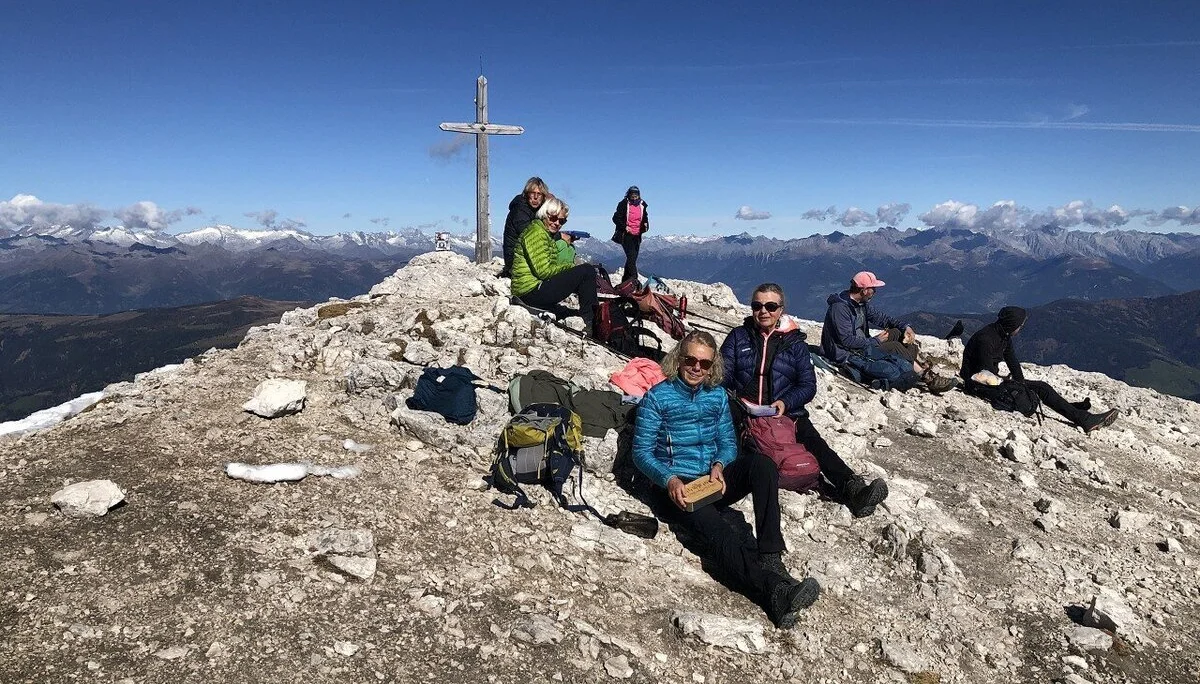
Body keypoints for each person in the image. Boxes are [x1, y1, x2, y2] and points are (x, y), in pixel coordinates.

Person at [633, 330, 821, 629]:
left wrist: (721, 464)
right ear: (678, 360)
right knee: (720, 531)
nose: (697, 368)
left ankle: (771, 555)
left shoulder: (717, 396)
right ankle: (774, 592)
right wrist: (669, 480)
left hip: (711, 478)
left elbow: (728, 443)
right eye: (690, 360)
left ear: (713, 367)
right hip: (678, 486)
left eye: (705, 364)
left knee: (761, 465)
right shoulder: (658, 397)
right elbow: (641, 453)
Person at [720, 283, 889, 517]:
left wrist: (786, 403)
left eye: (770, 306)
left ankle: (853, 488)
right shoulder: (738, 337)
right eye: (757, 306)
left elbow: (808, 386)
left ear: (781, 309)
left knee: (814, 442)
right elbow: (723, 374)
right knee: (736, 445)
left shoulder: (795, 344)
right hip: (744, 410)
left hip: (786, 413)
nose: (763, 311)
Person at [961, 306, 1119, 433]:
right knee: (1040, 388)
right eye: (1020, 325)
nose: (1020, 328)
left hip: (989, 379)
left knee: (1040, 387)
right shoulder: (986, 340)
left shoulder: (1003, 334)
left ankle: (1072, 409)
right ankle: (1083, 418)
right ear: (1012, 324)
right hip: (979, 383)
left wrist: (1020, 381)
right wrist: (1012, 384)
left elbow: (1012, 361)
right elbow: (985, 374)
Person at [820, 271, 956, 393]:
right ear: (864, 290)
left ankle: (914, 369)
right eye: (873, 289)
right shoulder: (840, 309)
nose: (874, 292)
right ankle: (926, 376)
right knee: (896, 347)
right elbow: (846, 340)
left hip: (862, 345)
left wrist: (905, 327)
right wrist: (876, 341)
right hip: (847, 352)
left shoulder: (860, 305)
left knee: (897, 332)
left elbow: (883, 319)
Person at [510, 198, 599, 335]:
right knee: (586, 271)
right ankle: (591, 323)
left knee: (584, 272)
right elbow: (544, 271)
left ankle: (591, 318)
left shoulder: (543, 232)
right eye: (553, 218)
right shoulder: (536, 233)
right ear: (544, 215)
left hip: (531, 289)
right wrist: (571, 267)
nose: (557, 223)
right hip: (530, 291)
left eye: (562, 221)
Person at [501, 177, 550, 278]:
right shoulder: (520, 210)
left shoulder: (533, 211)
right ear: (527, 194)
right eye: (532, 193)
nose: (535, 197)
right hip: (516, 262)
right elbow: (531, 235)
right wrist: (559, 236)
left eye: (539, 194)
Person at [611, 186, 649, 284]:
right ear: (629, 195)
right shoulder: (623, 204)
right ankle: (634, 279)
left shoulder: (642, 205)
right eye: (632, 196)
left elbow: (645, 216)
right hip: (626, 234)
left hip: (637, 235)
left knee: (632, 259)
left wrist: (645, 223)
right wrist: (625, 227)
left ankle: (625, 282)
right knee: (631, 257)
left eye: (636, 196)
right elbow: (616, 218)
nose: (634, 198)